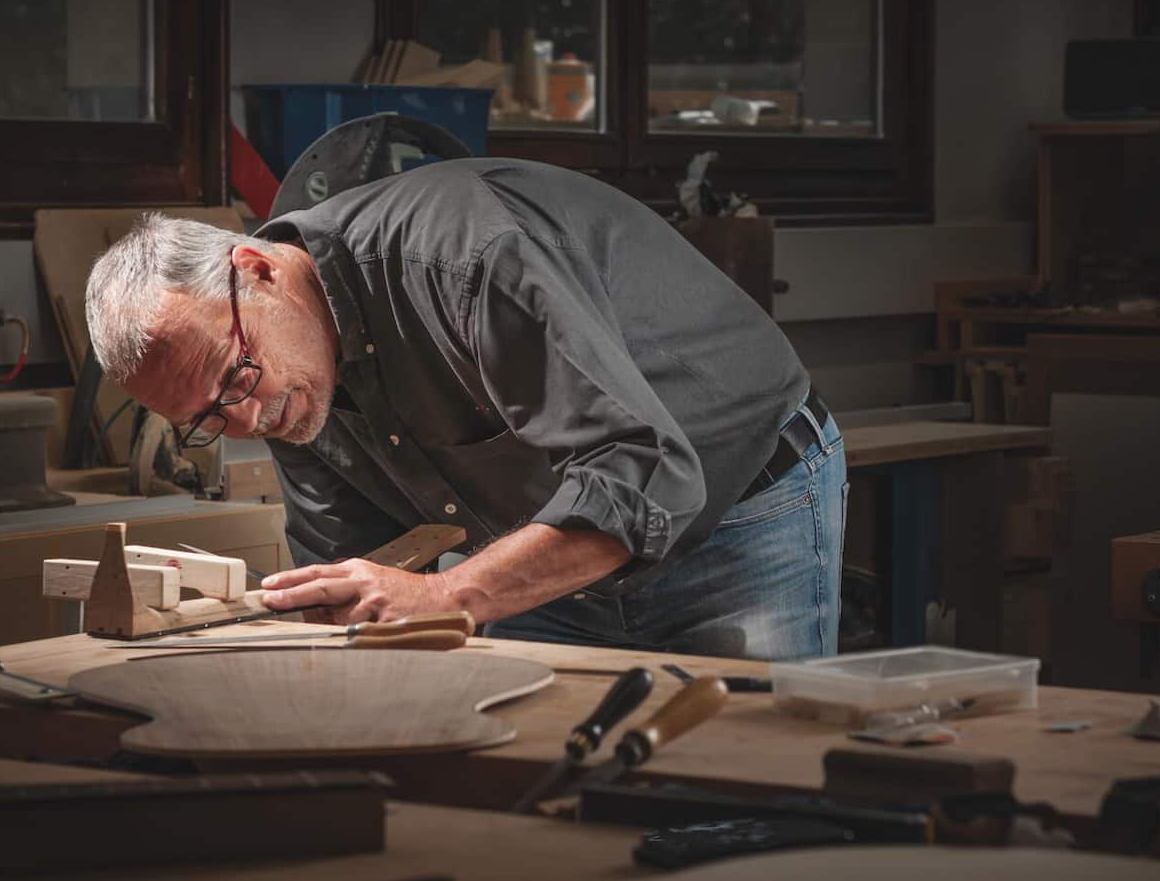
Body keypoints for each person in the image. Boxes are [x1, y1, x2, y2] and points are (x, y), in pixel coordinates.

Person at [85, 158, 847, 660]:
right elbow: (358, 570)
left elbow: (644, 471)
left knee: (753, 797)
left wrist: (449, 594)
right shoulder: (279, 377)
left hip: (738, 505)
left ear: (254, 268)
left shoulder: (463, 258)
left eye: (233, 380)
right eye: (206, 420)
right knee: (558, 808)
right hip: (553, 558)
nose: (245, 424)